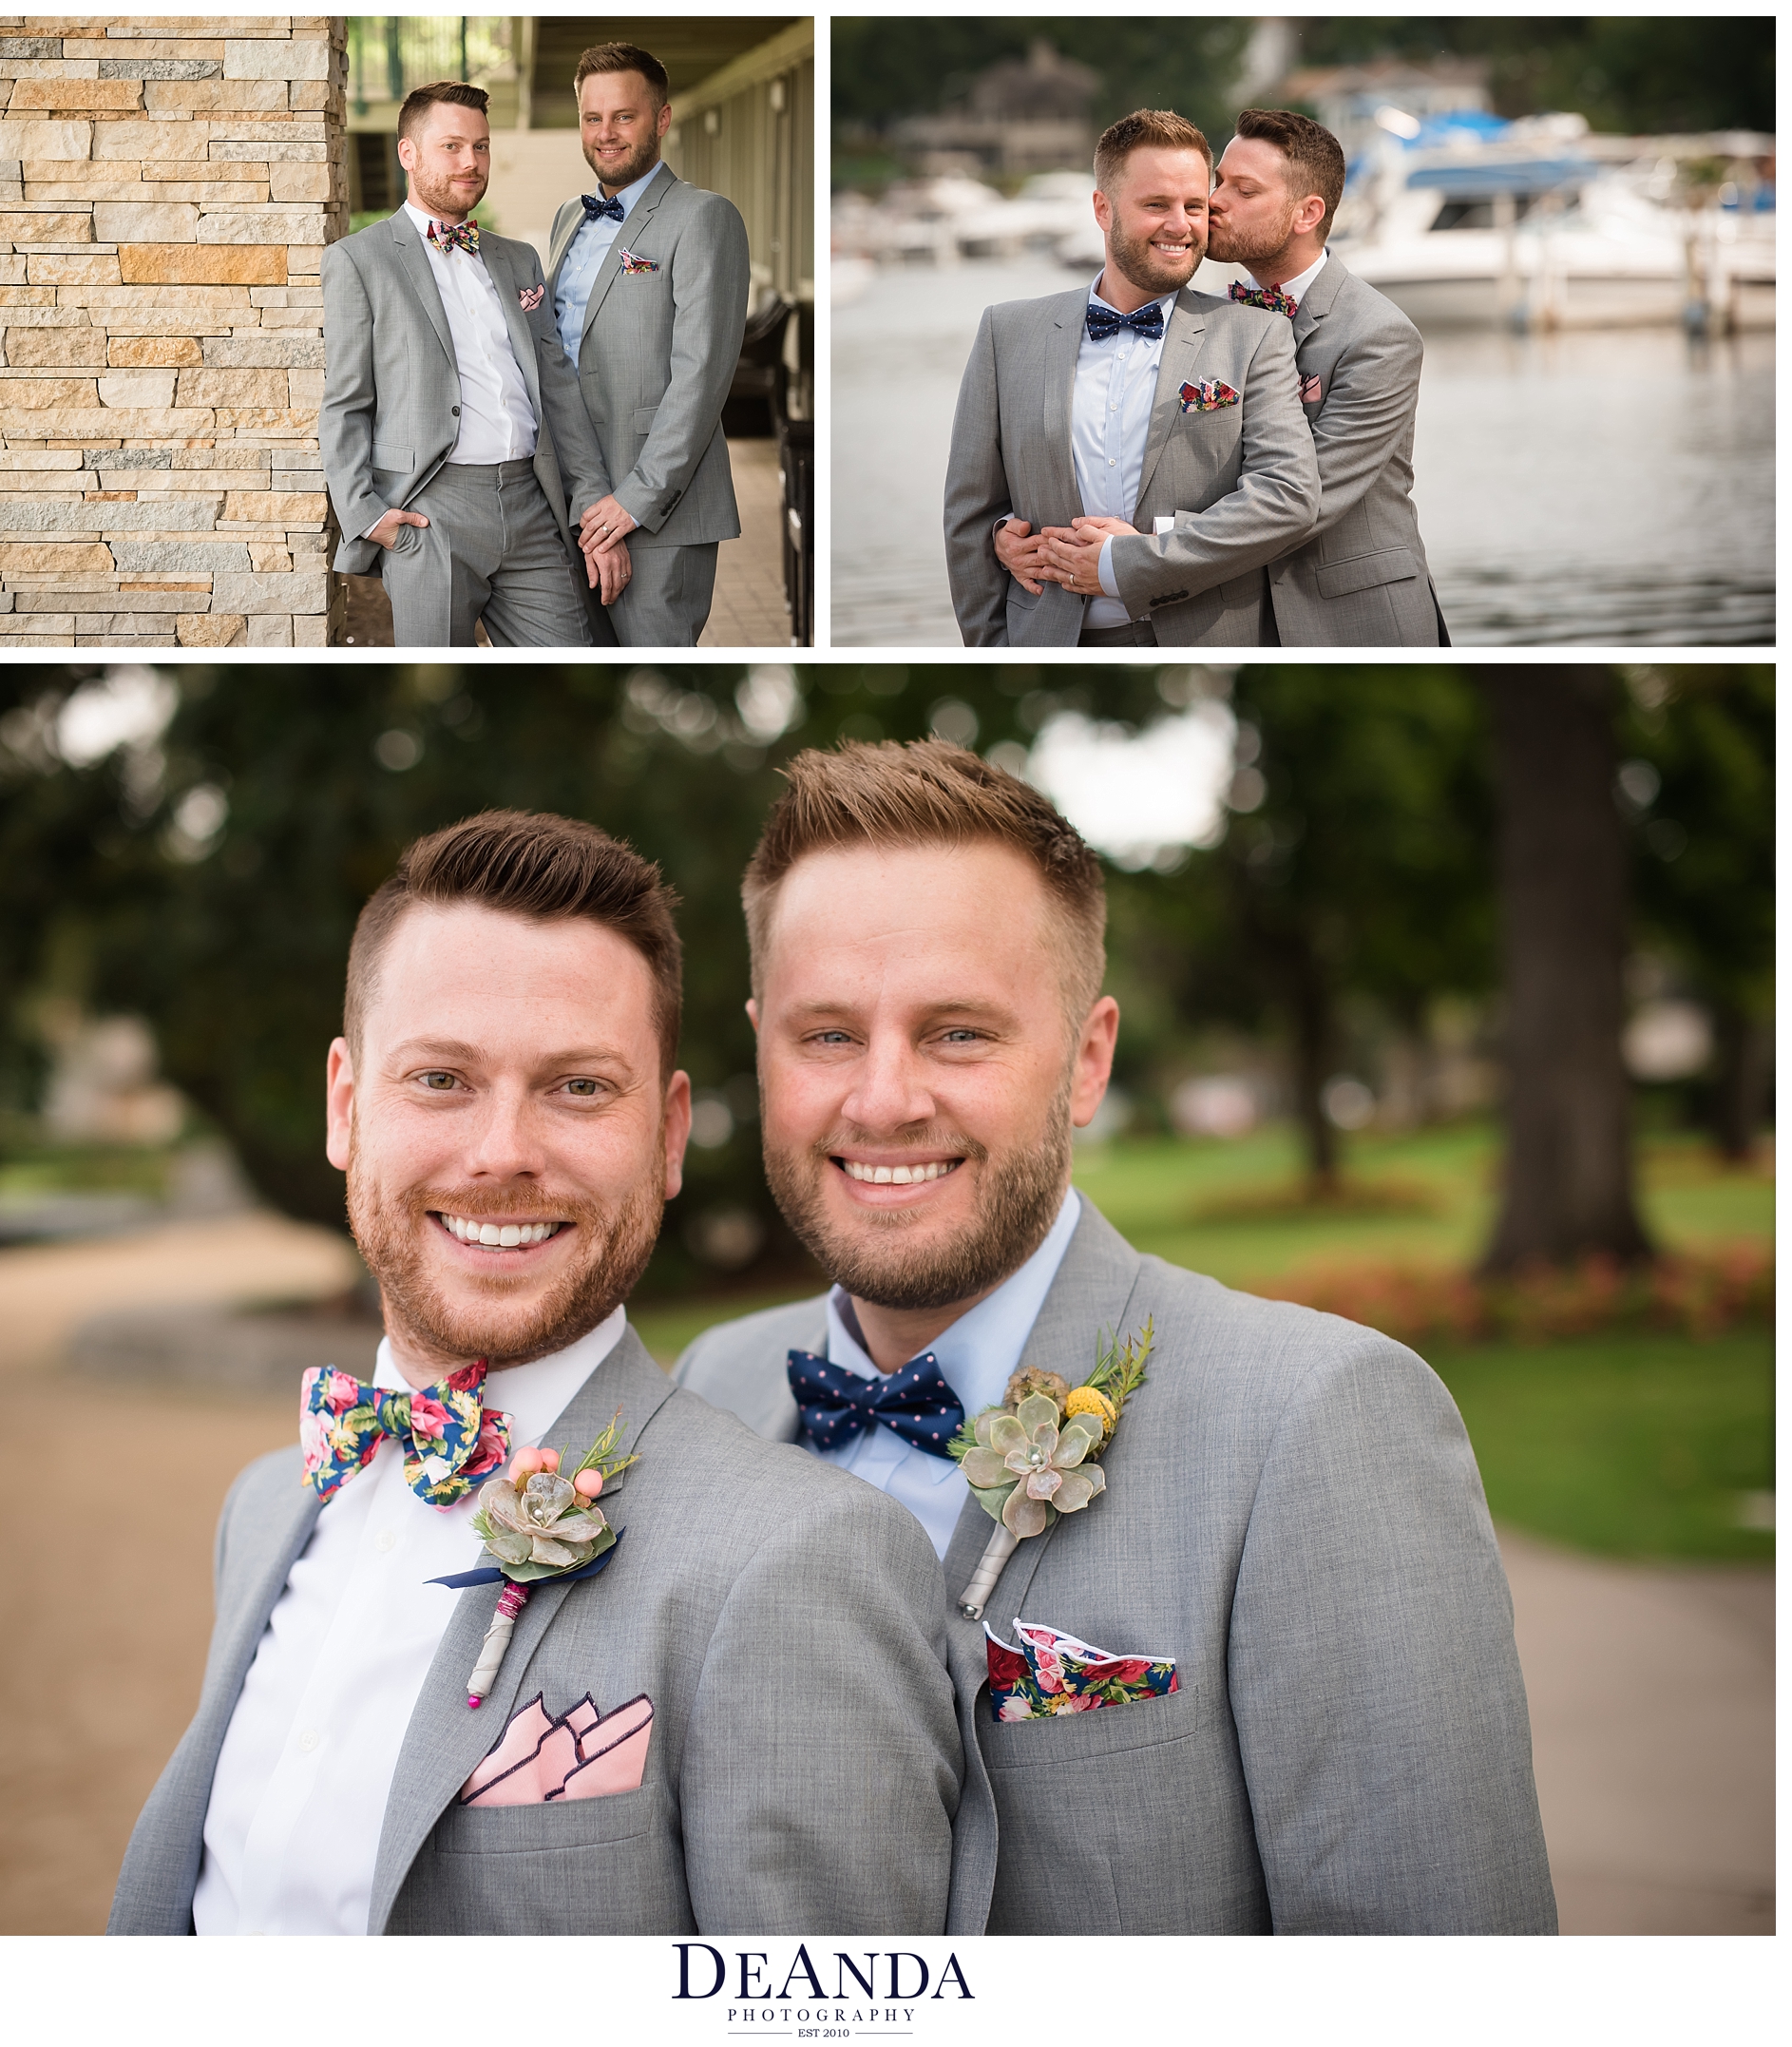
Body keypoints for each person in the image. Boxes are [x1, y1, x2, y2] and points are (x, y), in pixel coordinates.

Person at [674, 739, 1558, 1936]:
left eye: (959, 1034)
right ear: (760, 1041)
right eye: (825, 1035)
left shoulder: (1320, 1423)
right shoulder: (709, 1390)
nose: (881, 1099)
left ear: (1086, 1060)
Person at [109, 811, 959, 1936]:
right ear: (345, 1106)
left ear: (666, 1138)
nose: (504, 1150)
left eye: (577, 1088)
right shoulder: (264, 1508)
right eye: (442, 1078)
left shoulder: (800, 1564)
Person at [944, 108, 1320, 648]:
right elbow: (969, 513)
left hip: (1206, 645)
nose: (1180, 224)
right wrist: (992, 647)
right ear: (1103, 208)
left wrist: (1132, 560)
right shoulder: (1008, 333)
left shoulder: (1255, 335)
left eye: (1194, 205)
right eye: (1155, 205)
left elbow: (1285, 497)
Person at [320, 82, 629, 647]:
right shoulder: (358, 261)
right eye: (452, 147)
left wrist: (588, 496)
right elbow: (345, 401)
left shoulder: (518, 259)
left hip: (533, 503)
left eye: (481, 147)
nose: (471, 163)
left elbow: (556, 385)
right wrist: (365, 513)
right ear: (407, 153)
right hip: (430, 512)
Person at [1206, 108, 1450, 645]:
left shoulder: (1379, 335)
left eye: (1243, 190)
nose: (1214, 200)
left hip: (1362, 625)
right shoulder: (1203, 322)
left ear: (1306, 212)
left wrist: (1142, 543)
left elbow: (1304, 500)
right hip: (1240, 624)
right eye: (1218, 181)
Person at [549, 44, 751, 648]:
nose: (606, 134)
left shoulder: (705, 217)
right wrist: (585, 502)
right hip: (569, 501)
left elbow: (701, 379)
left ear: (662, 119)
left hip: (659, 510)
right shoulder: (568, 218)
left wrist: (631, 503)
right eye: (593, 118)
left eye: (624, 117)